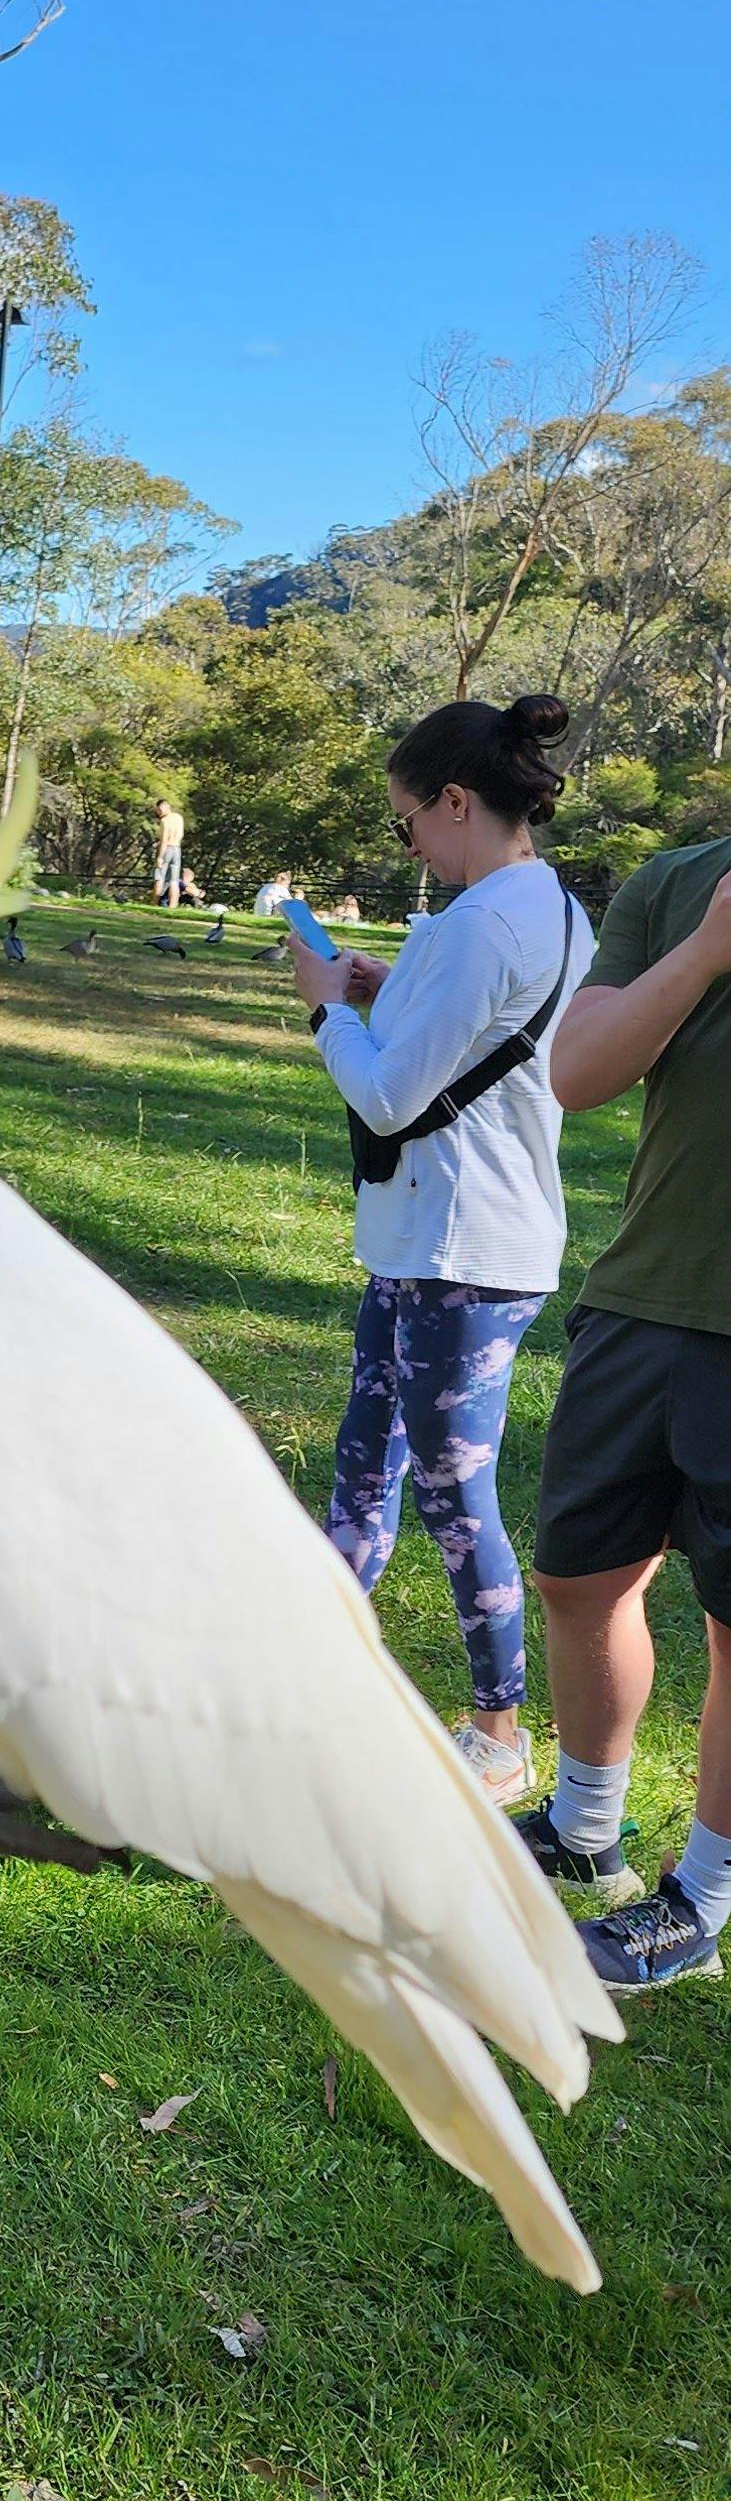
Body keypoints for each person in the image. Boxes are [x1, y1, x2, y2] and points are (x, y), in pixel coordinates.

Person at [290, 693, 591, 1806]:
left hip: (461, 1250)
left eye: (405, 821)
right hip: (440, 1239)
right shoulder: (545, 907)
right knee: (362, 1466)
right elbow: (472, 1036)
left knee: (449, 1494)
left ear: (456, 802)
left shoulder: (480, 923)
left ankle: (498, 1731)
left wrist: (327, 1009)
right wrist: (380, 986)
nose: (406, 843)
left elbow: (385, 1090)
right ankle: (312, 1683)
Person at [512, 810, 731, 1986]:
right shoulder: (675, 883)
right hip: (644, 1298)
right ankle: (582, 1825)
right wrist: (702, 950)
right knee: (578, 1577)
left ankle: (698, 1899)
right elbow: (581, 1070)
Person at [152, 794, 184, 908]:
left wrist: (160, 856)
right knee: (174, 880)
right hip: (177, 848)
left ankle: (155, 903)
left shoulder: (165, 821)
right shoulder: (179, 818)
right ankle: (173, 906)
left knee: (159, 877)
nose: (160, 812)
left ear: (167, 807)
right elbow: (180, 834)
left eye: (160, 809)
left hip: (168, 849)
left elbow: (164, 839)